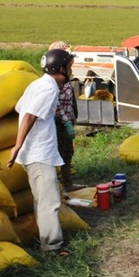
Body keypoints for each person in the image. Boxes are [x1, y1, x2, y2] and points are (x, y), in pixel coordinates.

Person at [8, 49, 73, 256]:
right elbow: (28, 116)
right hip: (39, 152)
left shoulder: (37, 84)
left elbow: (19, 107)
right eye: (69, 66)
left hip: (34, 152)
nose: (71, 69)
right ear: (60, 68)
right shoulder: (49, 89)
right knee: (50, 200)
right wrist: (17, 146)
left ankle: (46, 241)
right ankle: (52, 247)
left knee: (42, 199)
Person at [49, 41, 78, 190]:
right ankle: (62, 186)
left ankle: (68, 183)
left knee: (68, 152)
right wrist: (66, 122)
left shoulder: (66, 77)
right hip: (59, 124)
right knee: (61, 153)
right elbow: (56, 105)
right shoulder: (55, 81)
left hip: (67, 120)